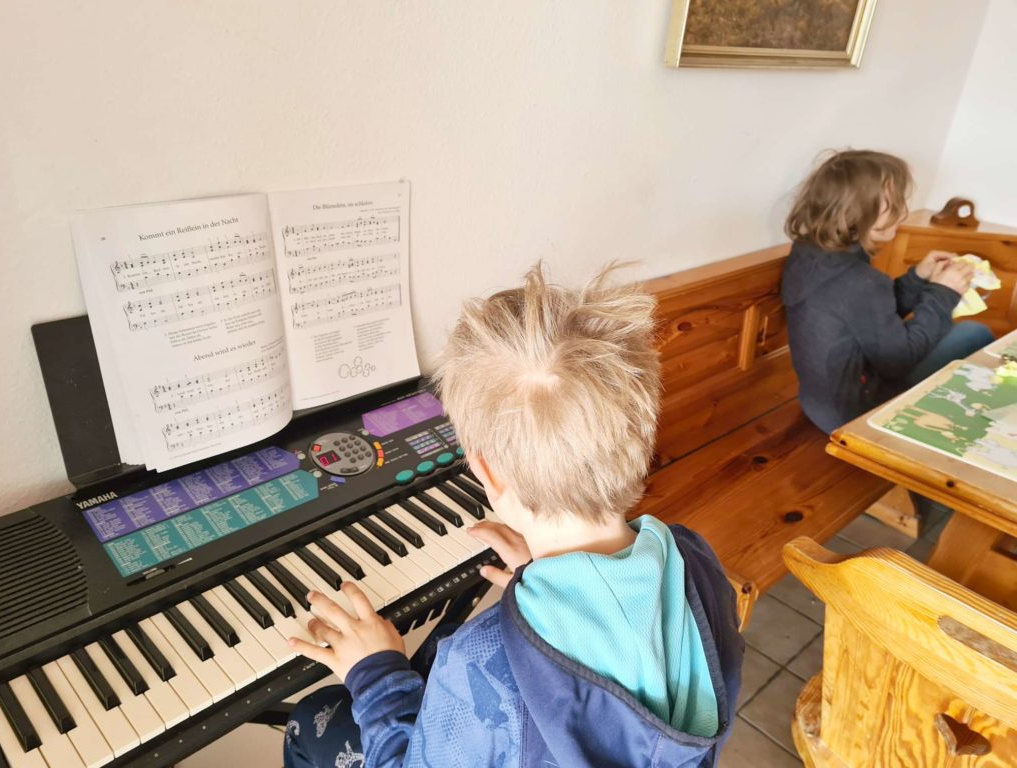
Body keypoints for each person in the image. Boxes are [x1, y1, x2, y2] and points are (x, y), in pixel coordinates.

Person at [282, 263, 744, 768]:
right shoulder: (696, 558)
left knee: (312, 718)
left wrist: (376, 674)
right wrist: (543, 575)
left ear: (487, 474)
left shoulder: (478, 663)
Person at [781, 149, 994, 435]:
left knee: (961, 333)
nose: (903, 212)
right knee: (975, 333)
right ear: (854, 211)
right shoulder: (861, 281)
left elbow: (868, 315)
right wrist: (944, 292)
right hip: (857, 415)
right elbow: (898, 361)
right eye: (894, 204)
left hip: (818, 404)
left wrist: (918, 278)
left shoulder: (811, 252)